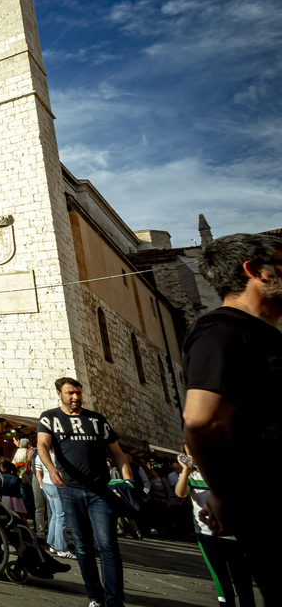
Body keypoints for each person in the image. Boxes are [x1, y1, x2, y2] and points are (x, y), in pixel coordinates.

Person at [182, 233, 281, 605]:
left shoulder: (264, 335)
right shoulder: (221, 330)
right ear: (256, 271)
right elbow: (201, 423)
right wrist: (226, 495)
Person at [38, 377, 133, 607]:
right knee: (82, 547)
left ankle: (114, 601)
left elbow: (117, 453)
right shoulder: (50, 417)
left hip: (100, 491)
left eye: (78, 393)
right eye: (70, 393)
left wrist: (127, 481)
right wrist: (51, 468)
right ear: (59, 394)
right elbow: (42, 445)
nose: (75, 397)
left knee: (108, 545)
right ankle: (95, 597)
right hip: (69, 490)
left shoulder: (96, 420)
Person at [176, 450, 256, 607]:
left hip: (235, 536)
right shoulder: (191, 477)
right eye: (188, 452)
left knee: (243, 582)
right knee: (221, 580)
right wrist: (186, 469)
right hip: (206, 534)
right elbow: (180, 493)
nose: (193, 455)